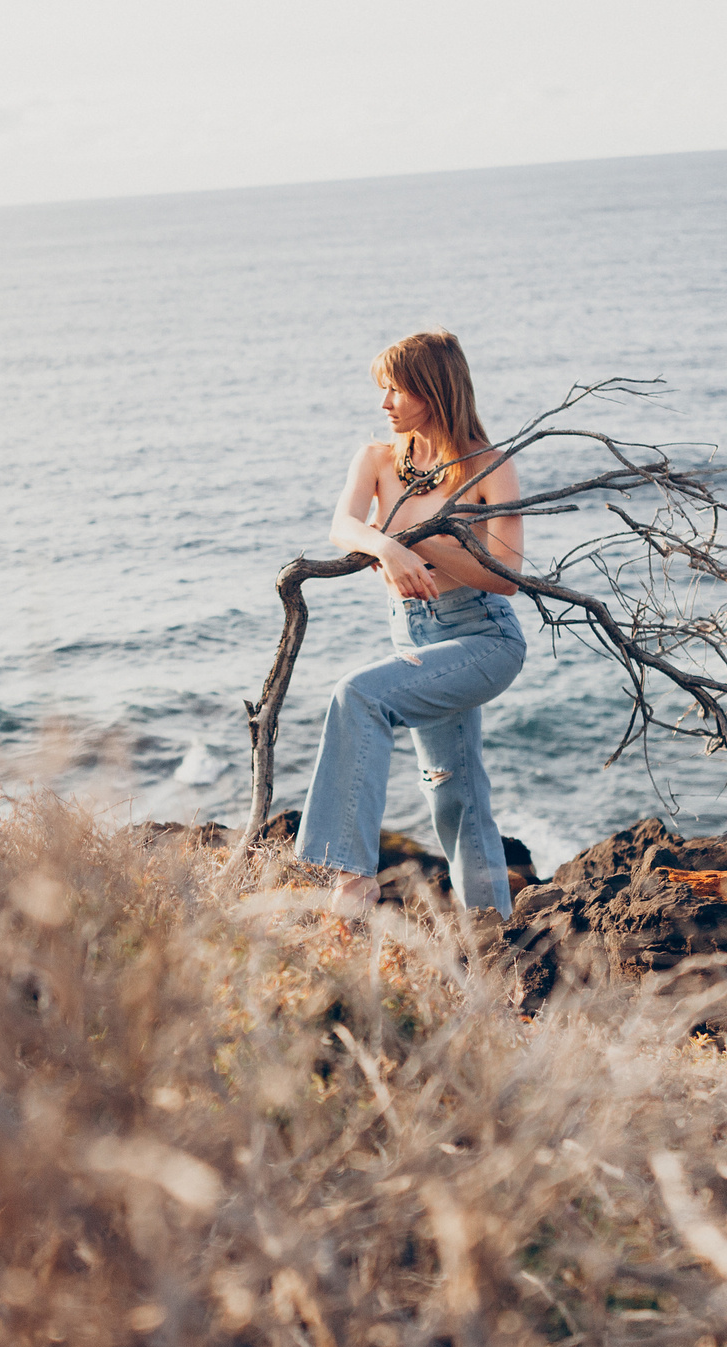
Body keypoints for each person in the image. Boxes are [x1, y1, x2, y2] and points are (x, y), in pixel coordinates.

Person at [294, 331, 527, 918]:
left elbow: (505, 575)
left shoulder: (487, 465)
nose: (385, 403)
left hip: (482, 637)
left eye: (396, 389)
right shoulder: (377, 458)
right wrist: (390, 547)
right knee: (455, 799)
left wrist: (423, 543)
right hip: (415, 634)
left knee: (358, 695)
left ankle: (350, 877)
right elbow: (343, 527)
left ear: (433, 389)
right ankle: (493, 942)